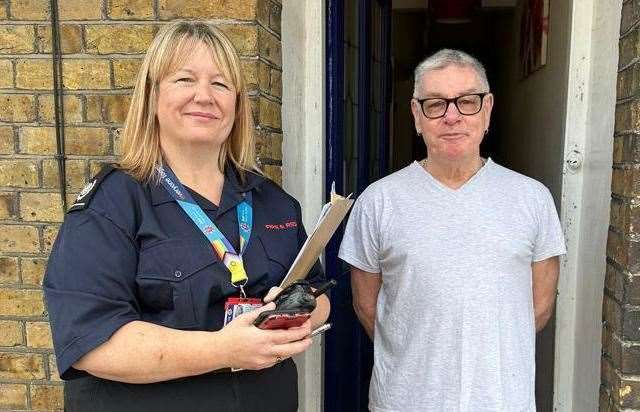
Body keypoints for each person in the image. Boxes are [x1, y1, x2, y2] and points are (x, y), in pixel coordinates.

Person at [44, 21, 330, 412]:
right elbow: (92, 343)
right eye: (184, 79)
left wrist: (298, 312)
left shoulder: (273, 201)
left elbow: (317, 292)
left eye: (220, 84)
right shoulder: (111, 204)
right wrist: (224, 349)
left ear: (237, 103)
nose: (204, 96)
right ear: (152, 95)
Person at [338, 49, 566, 412]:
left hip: (502, 400)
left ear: (487, 108)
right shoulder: (379, 201)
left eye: (467, 101)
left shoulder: (531, 199)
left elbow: (538, 308)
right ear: (416, 114)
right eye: (435, 104)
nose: (452, 116)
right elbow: (368, 307)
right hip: (405, 401)